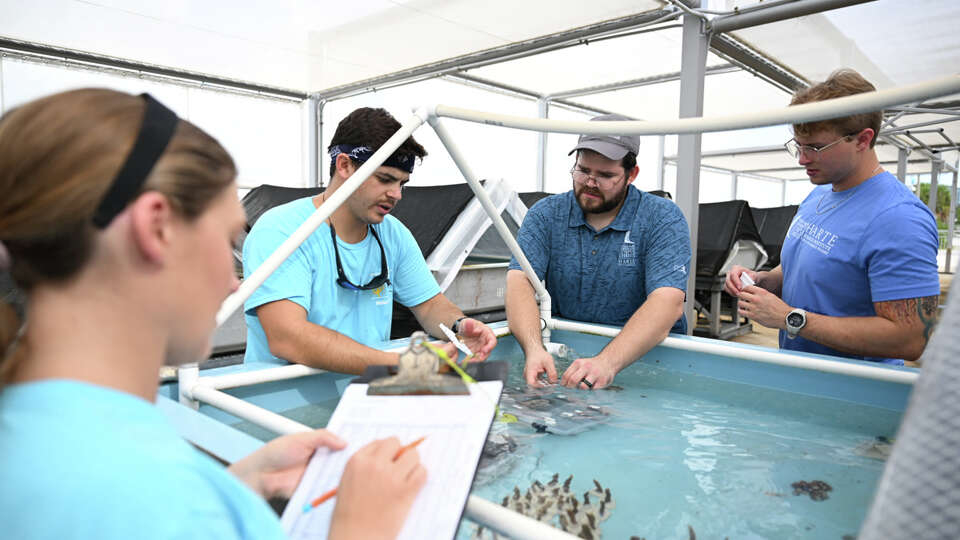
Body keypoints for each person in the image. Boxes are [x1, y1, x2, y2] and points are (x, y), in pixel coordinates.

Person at [0, 89, 424, 539]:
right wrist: (362, 528)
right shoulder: (140, 493)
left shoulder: (50, 431)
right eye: (226, 241)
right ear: (155, 228)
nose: (235, 282)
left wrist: (241, 483)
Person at [243, 107, 496, 372]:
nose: (396, 194)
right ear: (344, 165)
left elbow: (430, 305)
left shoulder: (393, 234)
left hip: (363, 392)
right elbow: (287, 338)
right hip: (278, 402)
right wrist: (404, 364)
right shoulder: (282, 230)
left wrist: (459, 325)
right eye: (385, 179)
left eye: (402, 183)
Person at [725, 68, 940, 365]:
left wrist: (790, 318)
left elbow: (910, 338)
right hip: (805, 377)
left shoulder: (898, 219)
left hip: (855, 394)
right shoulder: (820, 195)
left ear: (863, 140)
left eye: (815, 147)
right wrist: (763, 281)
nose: (802, 159)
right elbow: (805, 269)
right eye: (798, 146)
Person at [505, 114, 690, 390]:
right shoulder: (545, 214)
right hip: (572, 355)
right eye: (583, 170)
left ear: (632, 175)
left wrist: (606, 363)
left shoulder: (662, 218)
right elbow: (518, 280)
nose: (591, 182)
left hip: (650, 362)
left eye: (606, 175)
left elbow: (668, 301)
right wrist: (533, 348)